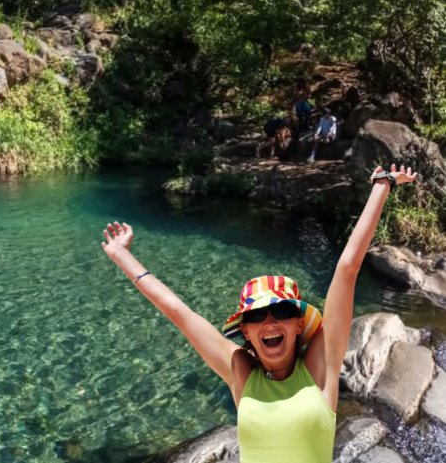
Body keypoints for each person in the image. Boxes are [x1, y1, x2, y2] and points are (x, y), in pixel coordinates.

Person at [100, 164, 416, 463]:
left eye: (280, 310)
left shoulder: (320, 370)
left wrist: (381, 186)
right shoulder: (240, 372)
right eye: (256, 316)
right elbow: (178, 311)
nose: (269, 322)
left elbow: (347, 269)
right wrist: (121, 255)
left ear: (297, 324)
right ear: (246, 331)